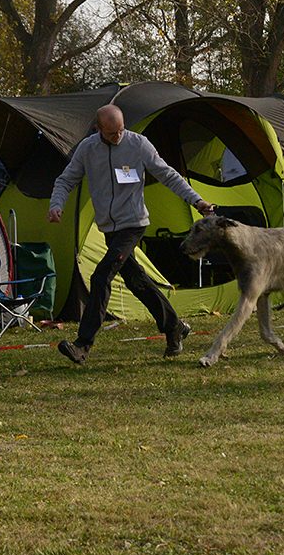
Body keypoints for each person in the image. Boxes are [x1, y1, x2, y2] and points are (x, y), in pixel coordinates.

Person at [48, 105, 214, 364]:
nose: (118, 137)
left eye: (121, 131)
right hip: (109, 229)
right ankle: (174, 327)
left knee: (101, 276)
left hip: (133, 225)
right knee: (137, 282)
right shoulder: (87, 149)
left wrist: (197, 201)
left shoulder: (139, 145)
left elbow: (168, 175)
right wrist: (56, 204)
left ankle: (82, 345)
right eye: (112, 133)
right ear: (98, 129)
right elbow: (66, 180)